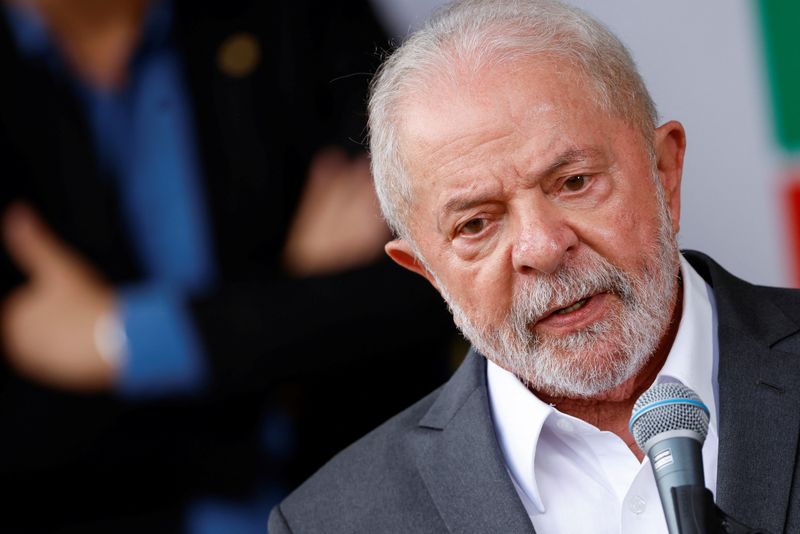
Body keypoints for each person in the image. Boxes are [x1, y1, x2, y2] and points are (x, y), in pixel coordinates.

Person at [268, 1, 800, 533]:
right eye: (476, 224)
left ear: (665, 171)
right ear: (426, 271)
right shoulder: (333, 521)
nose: (542, 248)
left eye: (574, 183)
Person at [0, 0, 456, 531]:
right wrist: (296, 304)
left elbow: (432, 270)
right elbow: (21, 414)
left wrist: (124, 340)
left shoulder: (295, 18)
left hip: (361, 486)